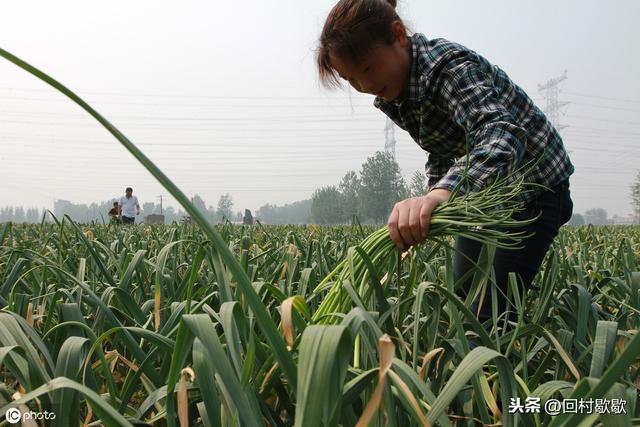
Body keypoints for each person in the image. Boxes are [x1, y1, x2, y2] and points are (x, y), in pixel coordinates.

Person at [317, 0, 574, 325]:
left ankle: (492, 370)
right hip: (481, 198)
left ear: (398, 35)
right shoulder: (397, 89)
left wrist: (440, 195)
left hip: (534, 188)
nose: (364, 86)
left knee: (488, 314)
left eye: (367, 69)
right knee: (463, 291)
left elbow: (502, 132)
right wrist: (433, 199)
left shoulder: (447, 68)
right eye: (350, 79)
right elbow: (442, 146)